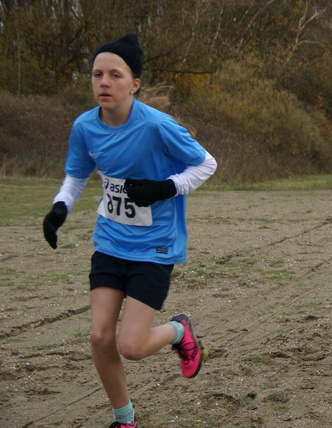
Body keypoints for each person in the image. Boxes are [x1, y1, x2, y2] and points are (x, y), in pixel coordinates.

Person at [42, 34, 217, 427]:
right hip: (110, 241)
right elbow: (76, 175)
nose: (104, 82)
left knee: (132, 345)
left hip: (155, 247)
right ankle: (125, 420)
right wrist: (59, 208)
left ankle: (178, 330)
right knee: (100, 338)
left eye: (115, 75)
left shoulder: (157, 126)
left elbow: (207, 164)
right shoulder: (85, 126)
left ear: (134, 84)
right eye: (97, 74)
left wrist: (163, 187)